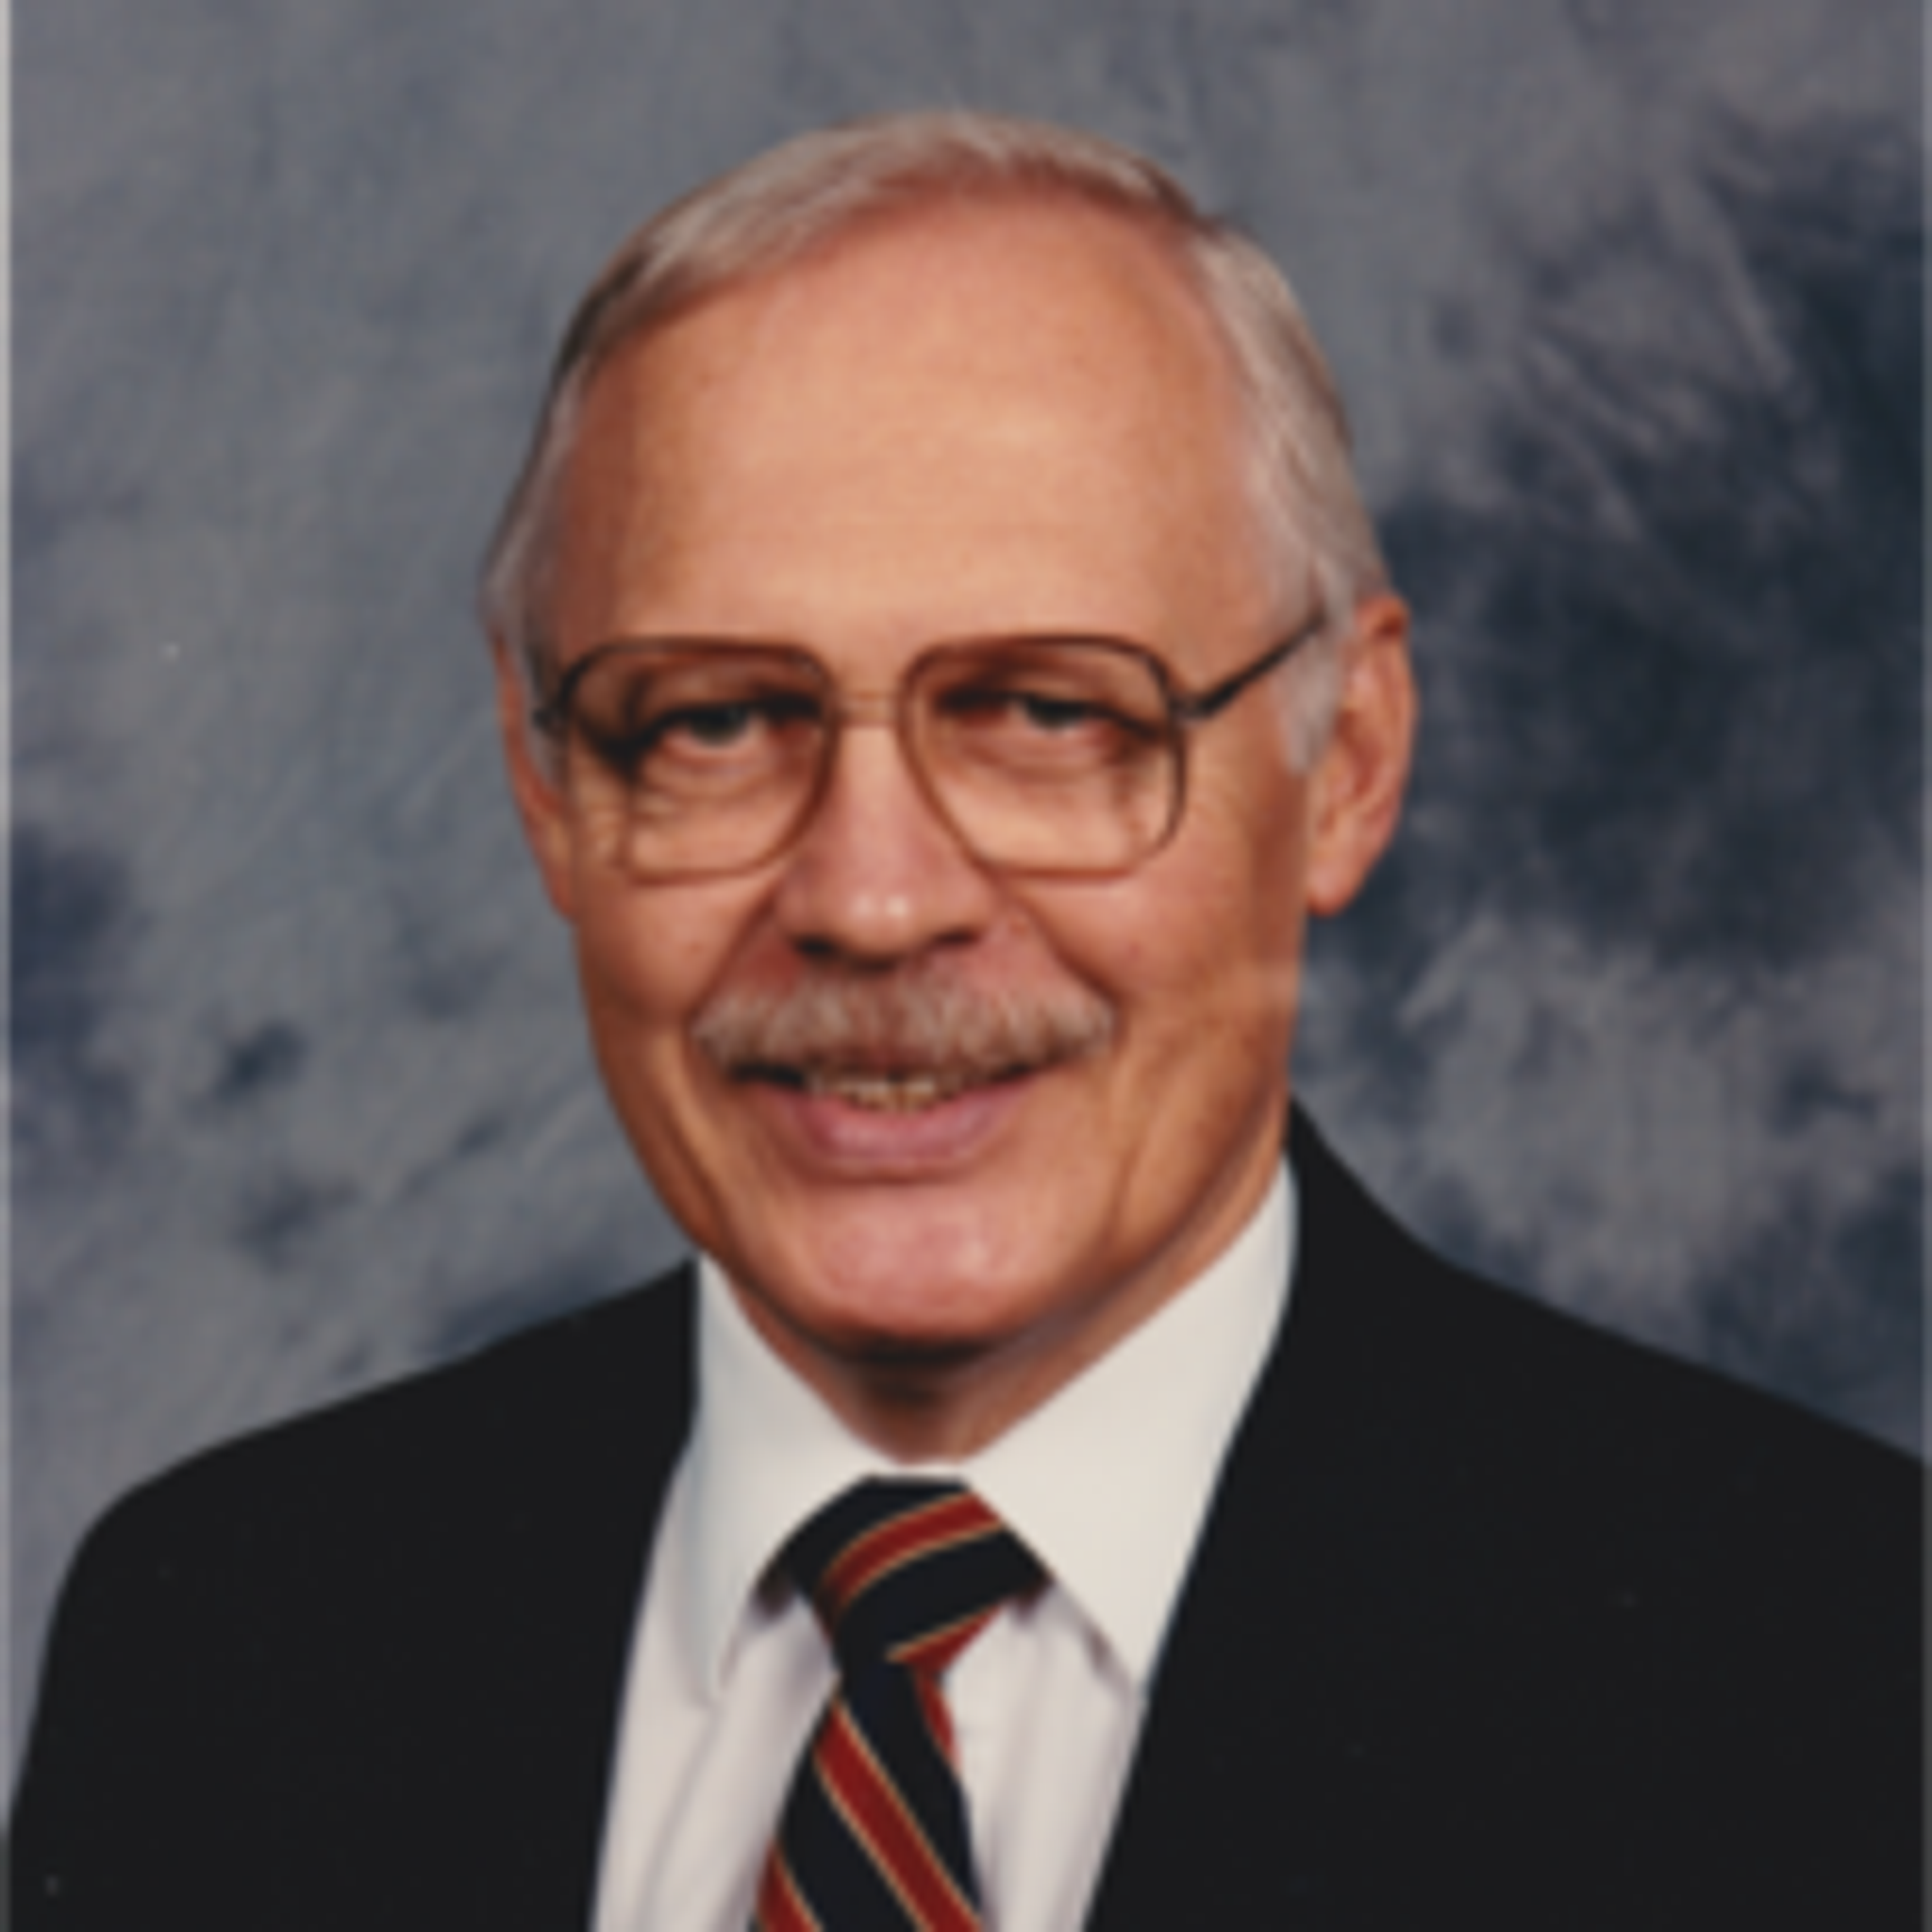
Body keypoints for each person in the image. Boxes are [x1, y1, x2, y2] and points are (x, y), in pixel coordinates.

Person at [4, 111, 1923, 1931]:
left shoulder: (1831, 1681)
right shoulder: (225, 1643)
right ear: (547, 787)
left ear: (1344, 762)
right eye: (714, 720)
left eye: (1046, 711)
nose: (871, 899)